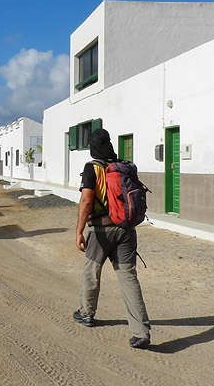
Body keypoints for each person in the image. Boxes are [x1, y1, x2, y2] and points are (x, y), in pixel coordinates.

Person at [73, 128, 151, 349]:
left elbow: (87, 201)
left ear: (92, 146)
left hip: (100, 231)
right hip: (126, 229)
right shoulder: (121, 166)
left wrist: (79, 230)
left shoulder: (92, 168)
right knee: (128, 277)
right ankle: (141, 331)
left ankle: (86, 313)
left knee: (91, 271)